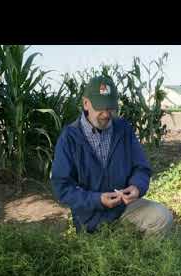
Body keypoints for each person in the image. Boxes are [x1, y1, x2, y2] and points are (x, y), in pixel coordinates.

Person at [51, 75, 173, 237]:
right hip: (90, 216)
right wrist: (97, 199)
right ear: (86, 103)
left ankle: (146, 258)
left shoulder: (123, 129)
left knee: (162, 216)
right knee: (102, 258)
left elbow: (141, 168)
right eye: (100, 108)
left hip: (124, 208)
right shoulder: (70, 138)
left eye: (110, 108)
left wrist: (137, 187)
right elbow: (62, 187)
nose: (106, 114)